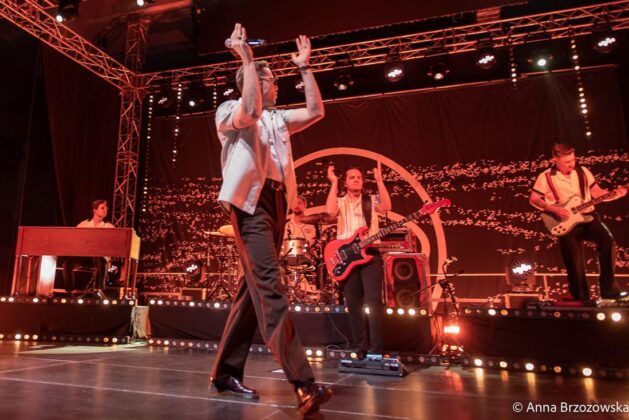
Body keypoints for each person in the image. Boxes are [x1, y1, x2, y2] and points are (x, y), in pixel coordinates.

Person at [210, 23, 331, 415]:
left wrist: (305, 68)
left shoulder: (277, 118)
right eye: (273, 79)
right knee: (270, 289)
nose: (277, 84)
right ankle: (303, 384)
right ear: (255, 81)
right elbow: (250, 110)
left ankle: (225, 373)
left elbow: (316, 111)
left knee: (252, 292)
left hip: (277, 205)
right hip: (250, 206)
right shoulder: (228, 111)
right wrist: (246, 59)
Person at [529, 143, 627, 302]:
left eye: (573, 160)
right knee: (574, 262)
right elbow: (534, 199)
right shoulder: (545, 177)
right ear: (555, 160)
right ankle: (582, 299)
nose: (571, 164)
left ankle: (609, 291)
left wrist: (614, 194)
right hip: (565, 222)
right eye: (567, 162)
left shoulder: (583, 171)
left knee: (608, 242)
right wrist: (554, 209)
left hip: (588, 216)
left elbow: (597, 193)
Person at [325, 162, 392, 359]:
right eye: (352, 177)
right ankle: (360, 347)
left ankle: (376, 349)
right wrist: (333, 183)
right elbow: (330, 212)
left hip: (369, 254)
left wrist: (379, 181)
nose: (356, 180)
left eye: (359, 177)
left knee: (373, 302)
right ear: (345, 182)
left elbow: (387, 207)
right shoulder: (340, 201)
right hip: (347, 257)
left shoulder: (371, 200)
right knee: (354, 304)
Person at [62, 199, 114, 295]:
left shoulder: (109, 227)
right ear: (95, 210)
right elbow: (75, 239)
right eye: (102, 208)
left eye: (106, 208)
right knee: (67, 263)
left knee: (101, 260)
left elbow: (111, 245)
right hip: (84, 257)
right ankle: (69, 291)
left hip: (99, 258)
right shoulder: (83, 224)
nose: (106, 210)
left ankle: (98, 290)